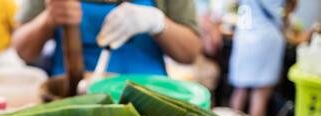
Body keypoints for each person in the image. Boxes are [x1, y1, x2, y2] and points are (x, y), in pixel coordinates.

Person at [12, 0, 201, 76]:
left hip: (150, 102)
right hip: (71, 101)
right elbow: (23, 50)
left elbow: (190, 53)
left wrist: (157, 22)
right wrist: (48, 19)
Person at [229, 0, 296, 116]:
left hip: (244, 38)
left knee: (240, 90)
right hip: (265, 40)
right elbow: (281, 13)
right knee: (260, 95)